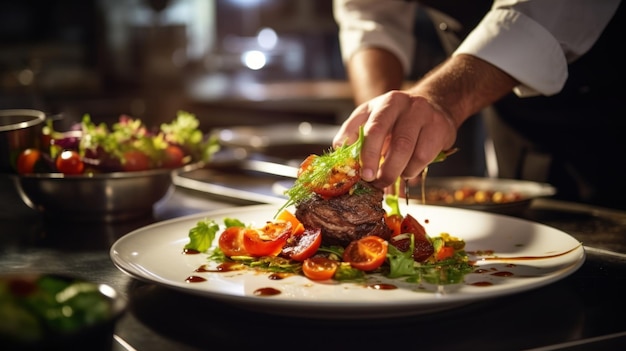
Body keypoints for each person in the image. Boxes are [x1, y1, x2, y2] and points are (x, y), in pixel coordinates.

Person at [331, 0, 626, 210]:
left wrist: (441, 99)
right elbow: (371, 14)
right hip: (508, 111)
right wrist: (384, 124)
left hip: (607, 103)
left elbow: (555, 8)